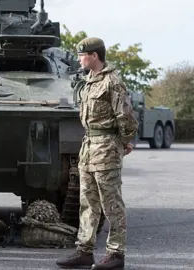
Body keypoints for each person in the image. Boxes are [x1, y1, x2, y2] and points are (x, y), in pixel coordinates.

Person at [55, 37, 138, 270]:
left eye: (82, 55)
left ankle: (116, 254)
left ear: (93, 56)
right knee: (88, 203)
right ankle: (84, 250)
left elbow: (127, 119)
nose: (79, 59)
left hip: (106, 147)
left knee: (111, 204)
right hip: (88, 147)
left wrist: (121, 143)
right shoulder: (89, 81)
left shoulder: (112, 82)